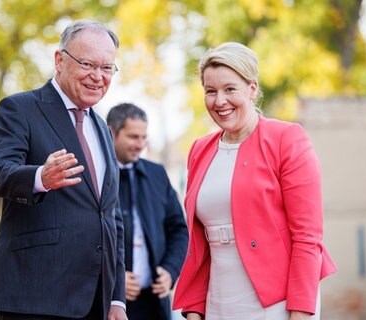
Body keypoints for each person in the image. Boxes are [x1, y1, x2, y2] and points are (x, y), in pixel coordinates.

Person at [172, 42, 337, 320]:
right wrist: (194, 310)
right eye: (210, 91)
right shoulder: (199, 149)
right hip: (218, 299)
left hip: (277, 301)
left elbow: (308, 238)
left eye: (230, 89)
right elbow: (198, 243)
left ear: (252, 88)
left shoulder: (287, 139)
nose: (219, 101)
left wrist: (299, 313)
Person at [0, 20, 128, 320]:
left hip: (96, 300)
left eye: (107, 68)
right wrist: (39, 178)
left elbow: (112, 217)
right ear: (59, 60)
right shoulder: (19, 108)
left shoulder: (101, 127)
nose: (98, 77)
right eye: (88, 64)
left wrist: (116, 299)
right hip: (35, 295)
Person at [106, 103, 189, 320]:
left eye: (144, 137)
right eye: (133, 137)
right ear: (111, 132)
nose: (140, 145)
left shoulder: (157, 174)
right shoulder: (94, 176)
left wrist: (170, 271)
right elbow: (82, 240)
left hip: (155, 303)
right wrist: (114, 280)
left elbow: (179, 229)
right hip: (110, 305)